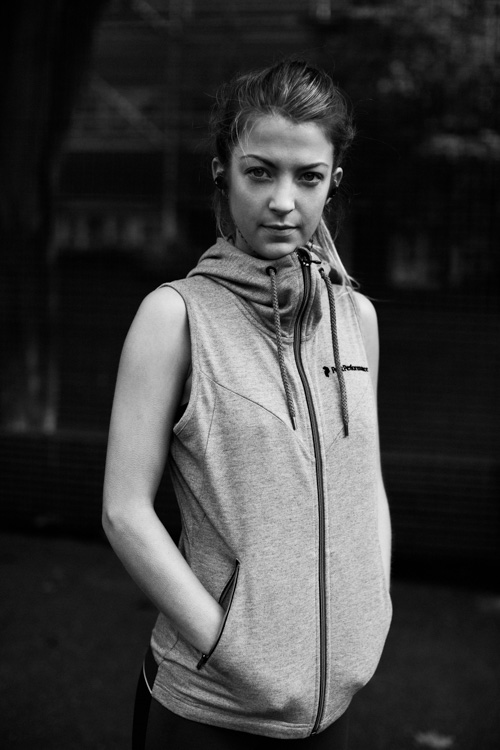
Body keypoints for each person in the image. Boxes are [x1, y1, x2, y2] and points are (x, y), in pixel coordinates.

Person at [102, 59, 392, 750]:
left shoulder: (357, 319)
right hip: (207, 708)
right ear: (223, 173)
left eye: (307, 177)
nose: (283, 200)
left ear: (333, 182)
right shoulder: (174, 317)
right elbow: (124, 511)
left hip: (332, 707)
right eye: (260, 172)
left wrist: (372, 607)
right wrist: (231, 648)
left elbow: (367, 484)